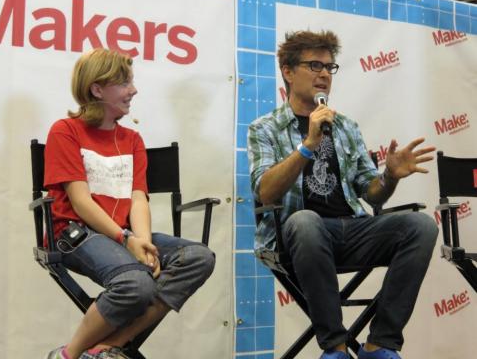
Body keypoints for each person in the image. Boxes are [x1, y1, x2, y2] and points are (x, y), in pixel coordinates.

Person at [247, 30, 438, 359]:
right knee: (305, 221)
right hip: (294, 238)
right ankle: (334, 347)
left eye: (329, 67)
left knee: (421, 226)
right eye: (314, 65)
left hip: (349, 230)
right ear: (288, 72)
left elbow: (373, 195)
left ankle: (381, 344)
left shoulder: (347, 127)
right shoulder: (264, 128)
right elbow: (265, 192)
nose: (323, 74)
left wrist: (390, 176)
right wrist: (307, 146)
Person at [44, 48, 215, 359]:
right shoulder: (65, 130)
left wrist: (144, 242)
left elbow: (138, 198)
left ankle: (110, 347)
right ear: (97, 89)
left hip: (122, 235)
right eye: (124, 83)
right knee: (135, 282)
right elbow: (81, 202)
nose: (133, 90)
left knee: (197, 257)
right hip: (73, 234)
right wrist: (127, 239)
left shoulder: (133, 140)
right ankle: (70, 355)